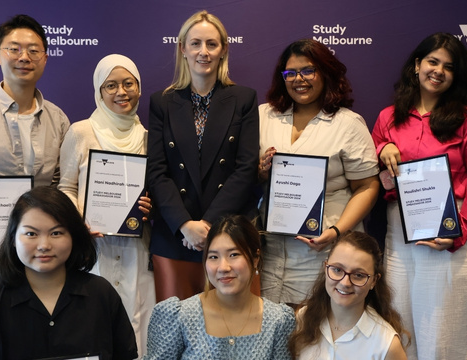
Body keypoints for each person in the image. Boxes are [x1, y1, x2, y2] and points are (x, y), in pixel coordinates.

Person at [371, 33, 467, 360]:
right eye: (432, 61)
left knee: (443, 326)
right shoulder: (388, 117)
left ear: (457, 76)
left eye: (449, 66)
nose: (438, 71)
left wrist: (459, 232)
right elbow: (373, 163)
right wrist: (383, 149)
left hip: (450, 227)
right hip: (400, 231)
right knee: (401, 320)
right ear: (417, 65)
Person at [0, 14, 70, 314]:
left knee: (33, 334)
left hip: (39, 251)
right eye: (14, 49)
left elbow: (60, 186)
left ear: (45, 58)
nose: (24, 57)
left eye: (33, 50)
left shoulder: (58, 120)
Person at [147, 10, 259, 301]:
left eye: (212, 44)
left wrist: (209, 227)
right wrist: (185, 225)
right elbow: (157, 172)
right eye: (196, 43)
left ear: (223, 50)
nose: (203, 52)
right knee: (175, 333)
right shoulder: (162, 102)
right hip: (176, 238)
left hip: (229, 234)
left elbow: (245, 168)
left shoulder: (244, 99)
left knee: (234, 331)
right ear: (182, 48)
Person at [258, 39, 380, 306]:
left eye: (308, 71)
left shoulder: (347, 123)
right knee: (273, 331)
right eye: (290, 73)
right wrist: (262, 171)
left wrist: (336, 232)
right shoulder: (263, 116)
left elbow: (367, 187)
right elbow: (246, 177)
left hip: (323, 249)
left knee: (314, 333)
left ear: (325, 73)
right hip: (271, 252)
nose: (299, 79)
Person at [0, 186, 137, 359]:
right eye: (31, 234)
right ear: (13, 239)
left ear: (74, 236)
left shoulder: (101, 294)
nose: (44, 246)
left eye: (56, 233)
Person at [58, 54, 155, 357]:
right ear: (99, 91)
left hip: (135, 248)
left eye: (128, 84)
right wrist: (79, 222)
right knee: (91, 319)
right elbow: (66, 187)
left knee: (135, 318)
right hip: (92, 245)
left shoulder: (149, 138)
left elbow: (155, 190)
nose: (120, 92)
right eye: (110, 85)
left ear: (139, 88)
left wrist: (150, 208)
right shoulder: (81, 131)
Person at [144, 215, 295, 359]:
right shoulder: (177, 316)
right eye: (213, 257)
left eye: (234, 255)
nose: (223, 267)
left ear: (255, 258)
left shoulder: (279, 320)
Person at [290, 231, 407, 360]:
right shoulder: (302, 319)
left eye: (358, 275)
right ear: (325, 267)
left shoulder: (387, 345)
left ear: (374, 281)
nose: (345, 283)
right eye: (337, 270)